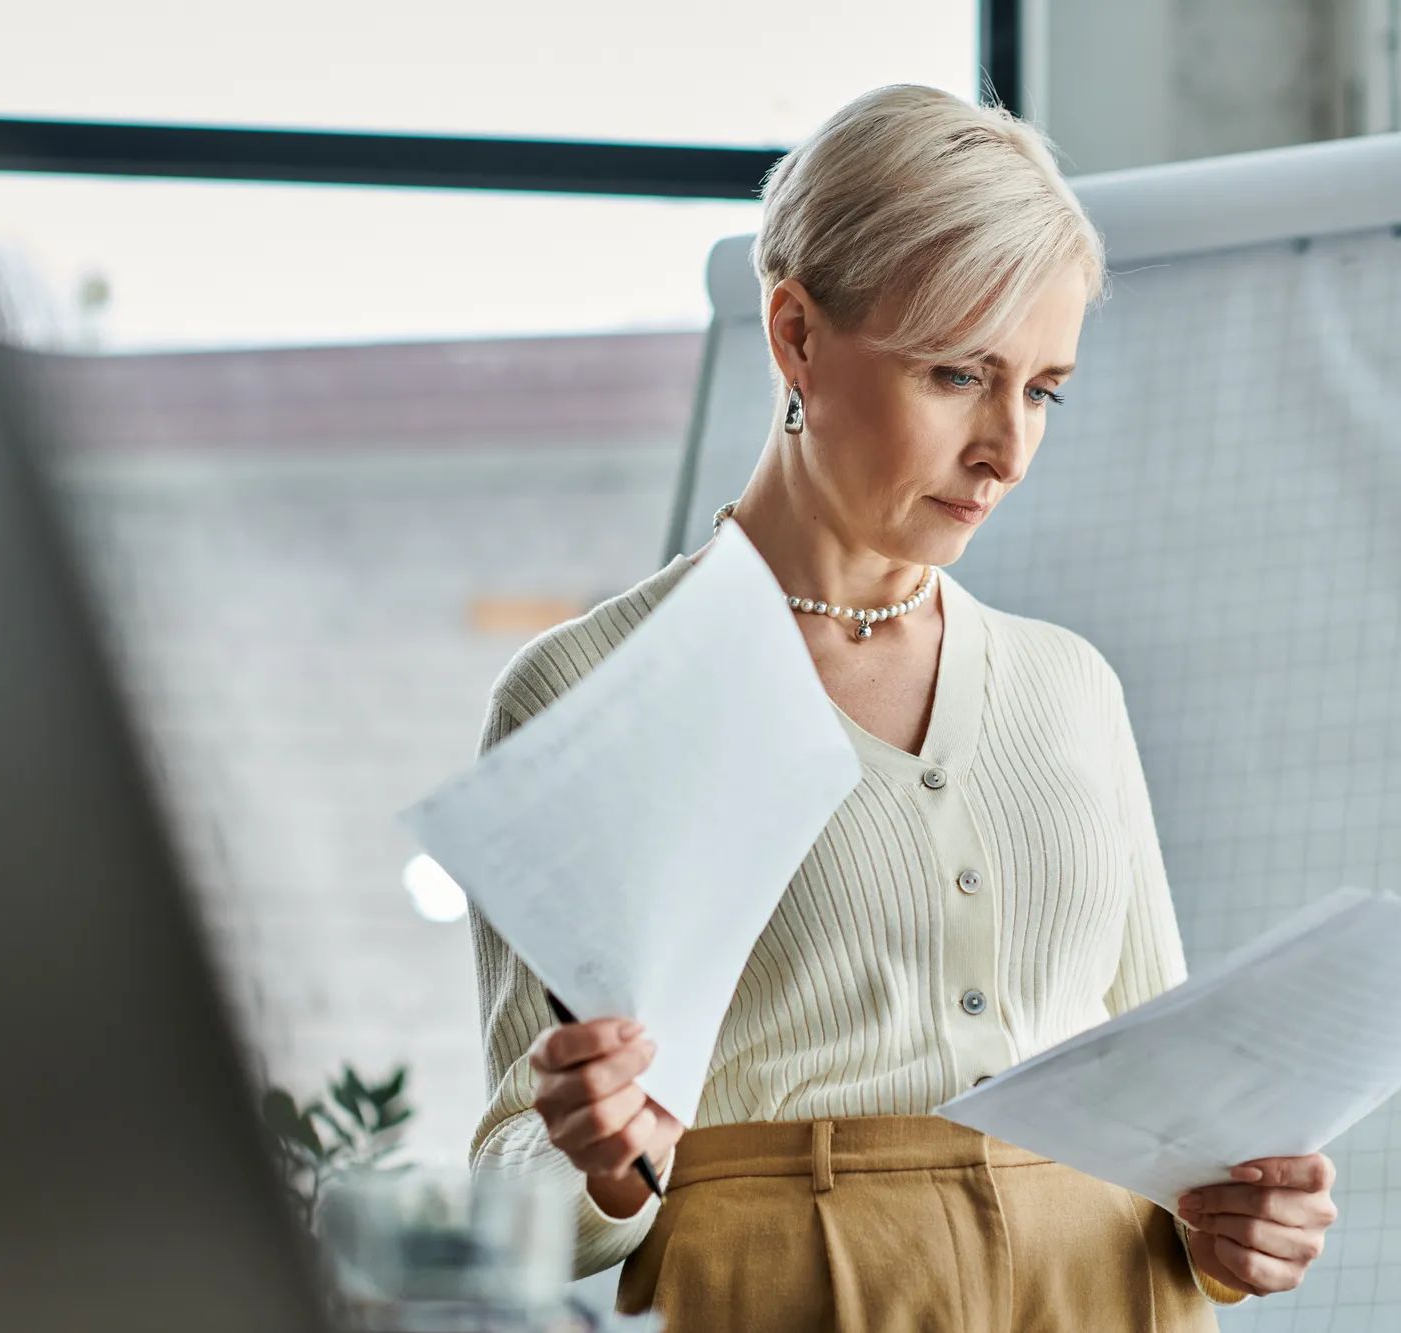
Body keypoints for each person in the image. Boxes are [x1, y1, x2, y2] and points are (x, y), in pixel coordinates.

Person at [466, 83, 1337, 1331]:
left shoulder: (1067, 686)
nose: (1007, 450)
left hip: (1110, 1294)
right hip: (788, 1293)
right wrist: (599, 1162)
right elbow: (518, 1179)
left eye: (1042, 388)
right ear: (795, 336)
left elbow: (1180, 1115)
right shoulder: (584, 694)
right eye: (955, 374)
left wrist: (1248, 1217)